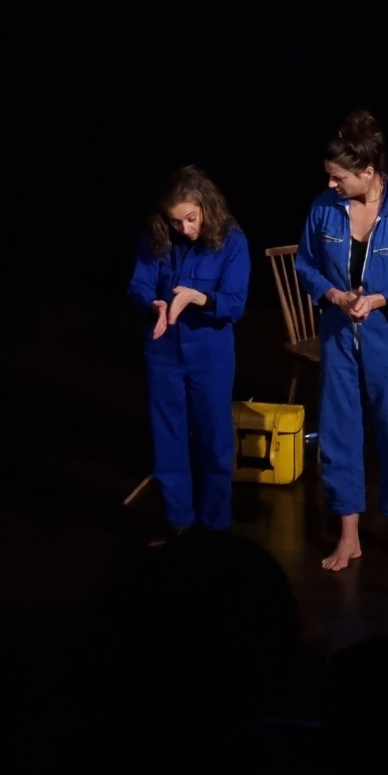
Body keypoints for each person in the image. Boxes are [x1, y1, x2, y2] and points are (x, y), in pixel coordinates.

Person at [295, 110, 388, 570]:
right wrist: (334, 294)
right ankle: (349, 536)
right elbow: (305, 263)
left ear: (368, 172)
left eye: (339, 177)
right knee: (338, 432)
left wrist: (378, 299)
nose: (331, 184)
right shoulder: (324, 207)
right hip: (339, 335)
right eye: (329, 176)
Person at [127, 165, 251, 543]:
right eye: (176, 221)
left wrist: (199, 298)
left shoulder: (231, 241)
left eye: (191, 218)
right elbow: (138, 284)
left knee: (214, 439)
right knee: (168, 438)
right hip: (163, 349)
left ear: (205, 206)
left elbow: (235, 303)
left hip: (210, 352)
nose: (185, 229)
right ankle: (178, 524)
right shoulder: (158, 236)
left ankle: (214, 530)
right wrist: (152, 304)